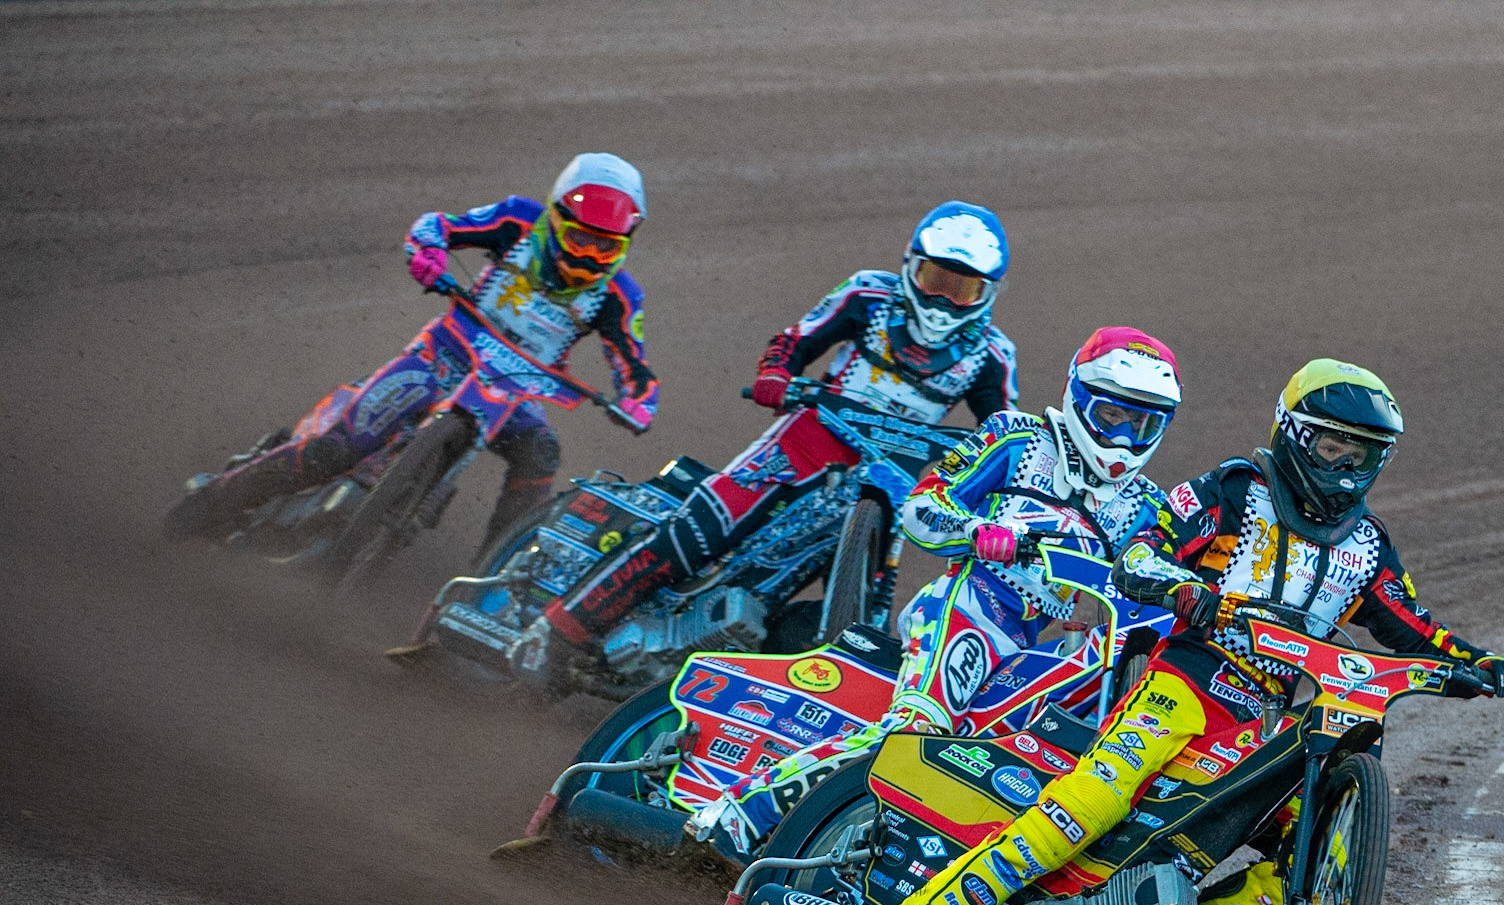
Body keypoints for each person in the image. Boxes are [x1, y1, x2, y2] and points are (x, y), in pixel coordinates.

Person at [866, 358, 1504, 905]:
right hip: (1185, 680)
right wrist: (1184, 588)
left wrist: (1480, 664)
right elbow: (1140, 552)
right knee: (1092, 801)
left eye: (1365, 453)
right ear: (1297, 435)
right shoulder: (1235, 489)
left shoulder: (1367, 545)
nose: (1348, 467)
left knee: (1312, 869)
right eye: (1335, 447)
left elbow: (1413, 627)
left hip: (1262, 721)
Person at [686, 326, 1182, 864]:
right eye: (1113, 415)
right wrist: (976, 532)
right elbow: (922, 507)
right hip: (966, 607)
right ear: (1079, 397)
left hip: (1032, 645)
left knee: (995, 758)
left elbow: (1159, 578)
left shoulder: (1147, 506)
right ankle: (735, 814)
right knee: (916, 732)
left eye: (1143, 423)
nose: (1125, 436)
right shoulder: (1016, 438)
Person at [508, 200, 1018, 688]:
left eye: (962, 290)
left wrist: (1002, 479)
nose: (942, 300)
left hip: (894, 481)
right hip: (811, 440)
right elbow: (795, 340)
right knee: (700, 530)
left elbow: (1004, 431)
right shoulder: (868, 294)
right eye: (935, 280)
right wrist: (776, 375)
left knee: (864, 609)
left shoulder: (994, 354)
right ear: (911, 267)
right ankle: (550, 634)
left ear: (989, 293)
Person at [165, 153, 658, 553]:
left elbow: (635, 369)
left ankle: (492, 581)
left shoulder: (620, 296)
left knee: (542, 452)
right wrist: (428, 254)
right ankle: (212, 501)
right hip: (440, 357)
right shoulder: (517, 220)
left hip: (514, 394)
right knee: (334, 449)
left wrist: (638, 403)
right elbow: (438, 226)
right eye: (580, 239)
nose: (589, 257)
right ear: (555, 218)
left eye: (605, 248)